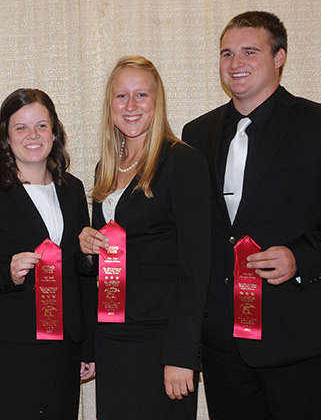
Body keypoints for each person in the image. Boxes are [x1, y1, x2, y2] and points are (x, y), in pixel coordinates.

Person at [181, 11, 321, 419]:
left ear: (279, 58)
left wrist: (299, 257)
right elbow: (188, 229)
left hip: (298, 336)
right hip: (223, 343)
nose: (236, 63)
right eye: (227, 53)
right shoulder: (195, 135)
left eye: (249, 52)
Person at [0, 88, 96, 419]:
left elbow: (81, 275)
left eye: (41, 126)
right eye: (21, 127)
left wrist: (88, 346)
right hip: (6, 348)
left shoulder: (71, 190)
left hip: (64, 348)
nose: (33, 136)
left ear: (54, 132)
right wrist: (5, 273)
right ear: (5, 134)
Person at [77, 56, 210, 419]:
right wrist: (87, 249)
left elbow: (196, 267)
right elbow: (100, 265)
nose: (131, 106)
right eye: (121, 96)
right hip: (112, 335)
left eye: (141, 95)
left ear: (157, 101)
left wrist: (183, 355)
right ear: (110, 105)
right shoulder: (105, 168)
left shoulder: (183, 162)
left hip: (161, 338)